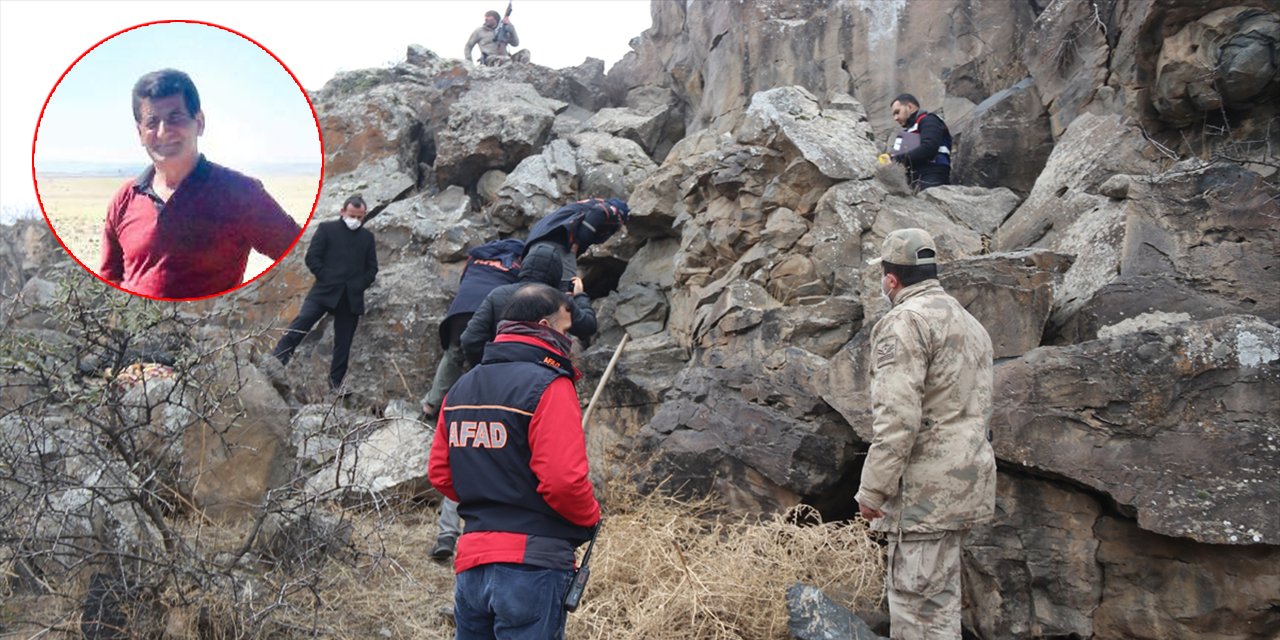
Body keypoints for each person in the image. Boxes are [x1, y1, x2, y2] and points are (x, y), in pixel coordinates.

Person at [428, 282, 601, 639]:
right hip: (533, 567)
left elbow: (441, 474)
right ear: (545, 326)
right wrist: (590, 517)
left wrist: (491, 491)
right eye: (566, 330)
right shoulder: (551, 384)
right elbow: (563, 481)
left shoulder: (461, 387)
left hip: (472, 564)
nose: (571, 340)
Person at [855, 228, 997, 640]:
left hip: (923, 494)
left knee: (916, 613)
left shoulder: (904, 322)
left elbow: (897, 420)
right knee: (939, 605)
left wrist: (872, 491)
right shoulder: (969, 322)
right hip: (965, 482)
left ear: (891, 279)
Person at [100, 69, 303, 299]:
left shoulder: (239, 193)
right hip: (132, 335)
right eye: (152, 122)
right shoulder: (125, 199)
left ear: (199, 122)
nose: (163, 131)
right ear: (139, 133)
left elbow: (301, 257)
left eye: (175, 117)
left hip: (206, 334)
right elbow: (110, 281)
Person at [421, 238, 525, 561]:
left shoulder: (476, 260)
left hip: (460, 313)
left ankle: (431, 402)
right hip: (489, 342)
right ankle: (461, 537)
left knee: (453, 354)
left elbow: (439, 471)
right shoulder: (514, 267)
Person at [270, 195, 378, 394]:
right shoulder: (327, 229)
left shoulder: (367, 238)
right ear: (342, 212)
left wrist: (358, 285)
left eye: (360, 217)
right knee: (300, 325)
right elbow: (312, 258)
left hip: (350, 298)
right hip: (324, 292)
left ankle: (336, 385)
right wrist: (328, 278)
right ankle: (274, 364)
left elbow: (372, 269)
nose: (355, 220)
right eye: (352, 215)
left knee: (343, 344)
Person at [460, 243, 597, 368]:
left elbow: (470, 339)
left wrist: (485, 366)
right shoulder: (557, 299)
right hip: (543, 372)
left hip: (497, 370)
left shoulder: (497, 294)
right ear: (557, 273)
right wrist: (579, 295)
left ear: (524, 265)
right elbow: (588, 326)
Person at [523, 197, 629, 292]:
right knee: (566, 291)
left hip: (535, 244)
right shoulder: (613, 209)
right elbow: (599, 212)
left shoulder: (581, 206)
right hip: (559, 244)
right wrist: (578, 242)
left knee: (531, 291)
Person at [888, 94, 952, 192]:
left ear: (910, 107)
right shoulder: (906, 132)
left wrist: (899, 158)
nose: (895, 118)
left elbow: (929, 147)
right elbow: (897, 155)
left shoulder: (929, 120)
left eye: (897, 112)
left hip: (932, 173)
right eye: (894, 115)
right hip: (912, 177)